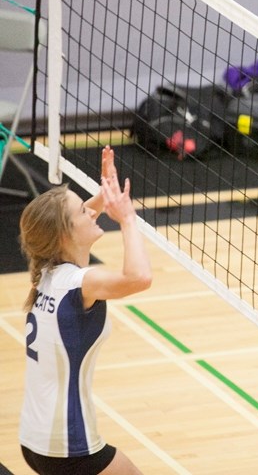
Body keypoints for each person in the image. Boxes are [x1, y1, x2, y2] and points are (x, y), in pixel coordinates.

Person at [18, 146, 152, 475]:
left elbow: (79, 217)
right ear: (66, 234)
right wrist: (128, 220)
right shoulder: (80, 283)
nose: (92, 212)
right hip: (67, 446)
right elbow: (139, 277)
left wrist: (107, 192)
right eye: (83, 211)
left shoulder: (48, 272)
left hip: (35, 440)